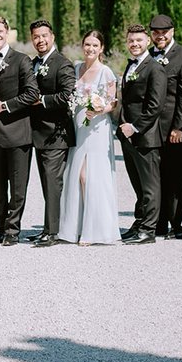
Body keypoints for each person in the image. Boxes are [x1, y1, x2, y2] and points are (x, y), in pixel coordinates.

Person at [0, 13, 39, 245]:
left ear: (7, 33)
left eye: (0, 31)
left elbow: (31, 94)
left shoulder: (22, 60)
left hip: (17, 132)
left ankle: (13, 230)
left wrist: (3, 106)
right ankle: (0, 227)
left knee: (17, 186)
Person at [58, 29, 120, 246]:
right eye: (87, 45)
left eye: (95, 45)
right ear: (82, 45)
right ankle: (76, 227)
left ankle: (95, 230)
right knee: (76, 176)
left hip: (97, 129)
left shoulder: (107, 72)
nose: (90, 49)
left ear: (101, 48)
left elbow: (113, 102)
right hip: (79, 127)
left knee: (90, 176)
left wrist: (100, 109)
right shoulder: (76, 69)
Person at [149, 13, 182, 239]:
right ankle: (158, 223)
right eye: (156, 32)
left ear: (172, 32)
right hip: (153, 128)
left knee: (177, 175)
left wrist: (179, 127)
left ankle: (178, 224)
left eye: (164, 32)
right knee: (157, 175)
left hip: (177, 128)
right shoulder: (148, 56)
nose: (160, 36)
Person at [28, 18, 76, 247]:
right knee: (47, 184)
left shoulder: (62, 63)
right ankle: (48, 228)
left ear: (52, 37)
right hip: (39, 134)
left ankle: (53, 232)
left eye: (44, 36)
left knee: (53, 183)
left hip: (56, 134)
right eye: (36, 37)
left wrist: (42, 100)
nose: (40, 40)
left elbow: (68, 95)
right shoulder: (32, 63)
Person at [118, 24, 167, 244]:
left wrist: (134, 127)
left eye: (138, 40)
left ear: (147, 41)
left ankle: (149, 230)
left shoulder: (155, 68)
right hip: (128, 136)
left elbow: (154, 106)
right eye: (131, 41)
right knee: (138, 185)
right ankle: (139, 222)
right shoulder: (131, 66)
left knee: (150, 186)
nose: (134, 44)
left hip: (145, 136)